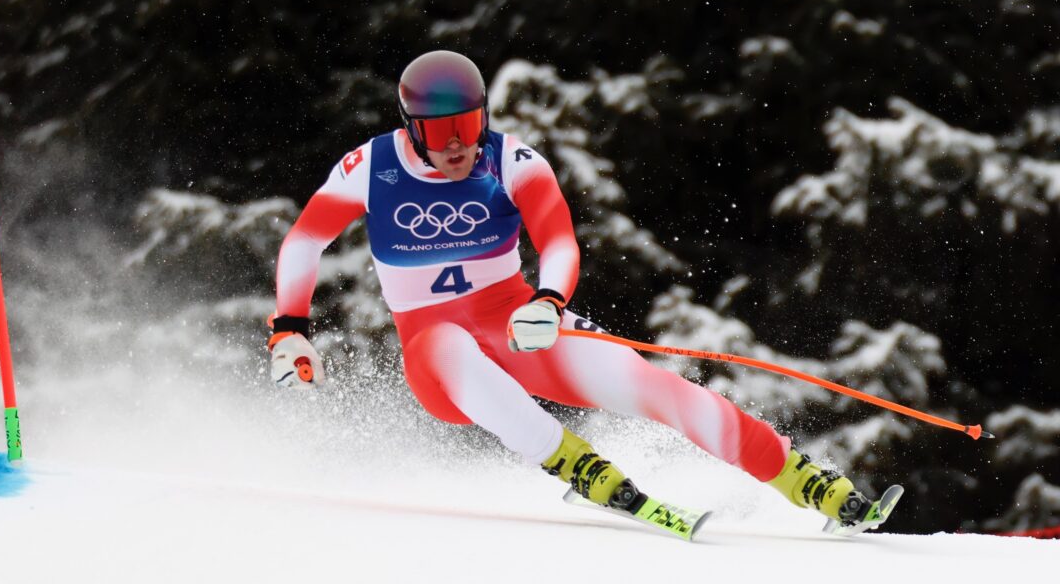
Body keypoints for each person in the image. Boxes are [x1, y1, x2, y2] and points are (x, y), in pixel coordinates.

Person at [267, 49, 877, 528]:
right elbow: (303, 243)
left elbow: (558, 242)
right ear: (410, 129)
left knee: (646, 382)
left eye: (468, 124)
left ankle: (802, 479)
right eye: (439, 130)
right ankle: (577, 466)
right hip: (437, 357)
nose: (456, 142)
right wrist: (291, 328)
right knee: (447, 340)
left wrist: (547, 301)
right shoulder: (370, 168)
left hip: (514, 325)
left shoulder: (511, 162)